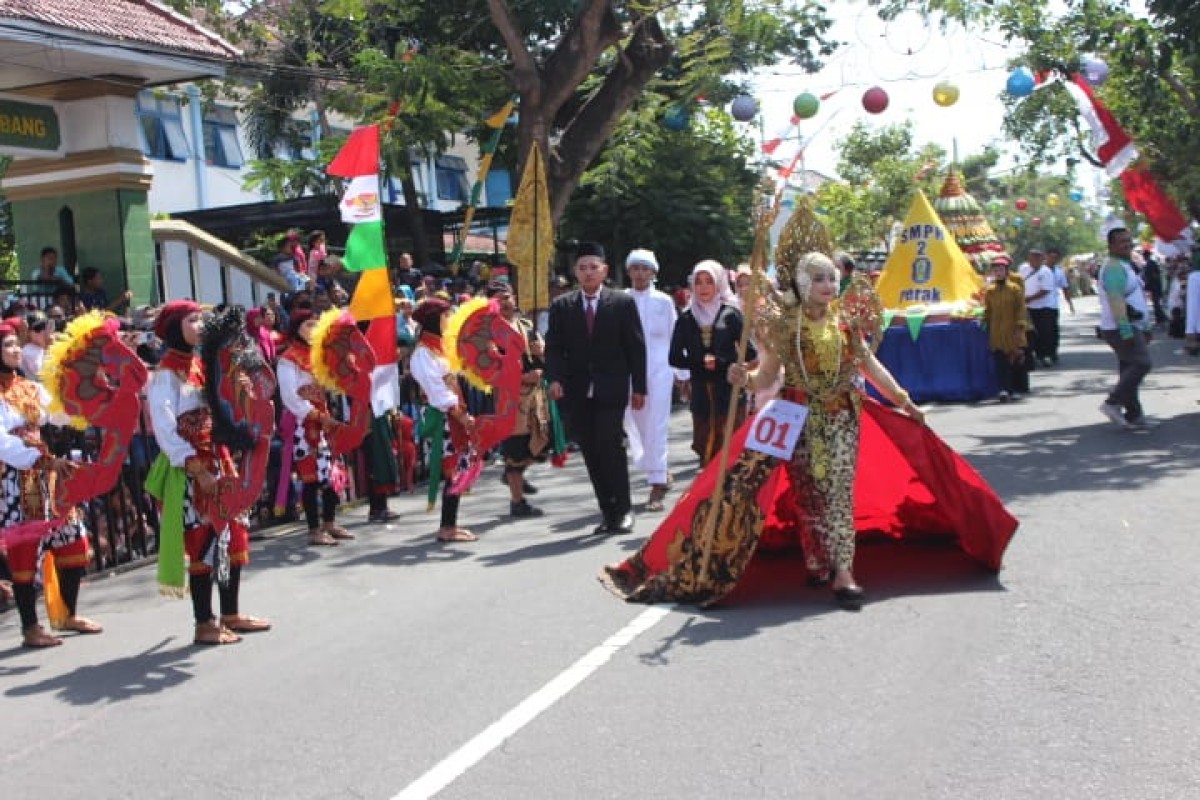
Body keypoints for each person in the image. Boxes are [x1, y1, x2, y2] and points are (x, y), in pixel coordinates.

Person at [602, 252, 1019, 613]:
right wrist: (742, 378)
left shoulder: (846, 324)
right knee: (808, 491)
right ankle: (816, 558)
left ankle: (843, 571)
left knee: (838, 491)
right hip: (796, 416)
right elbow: (769, 374)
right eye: (818, 278)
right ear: (803, 284)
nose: (827, 284)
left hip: (841, 416)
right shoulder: (786, 327)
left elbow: (869, 368)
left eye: (831, 278)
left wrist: (903, 400)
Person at [145, 301, 271, 645]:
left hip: (220, 459)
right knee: (203, 543)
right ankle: (204, 622)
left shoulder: (203, 365)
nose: (200, 325)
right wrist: (197, 470)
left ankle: (231, 613)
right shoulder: (165, 376)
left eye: (201, 318)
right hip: (189, 470)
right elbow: (166, 430)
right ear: (175, 327)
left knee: (232, 534)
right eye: (192, 319)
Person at [0, 320, 102, 647]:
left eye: (17, 344)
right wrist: (42, 461)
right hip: (16, 480)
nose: (16, 350)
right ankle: (31, 627)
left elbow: (58, 413)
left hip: (47, 473)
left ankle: (67, 614)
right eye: (8, 345)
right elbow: (2, 443)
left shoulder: (28, 387)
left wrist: (82, 391)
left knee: (73, 540)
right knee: (24, 555)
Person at [544, 242, 647, 535]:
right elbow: (554, 348)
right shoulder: (563, 307)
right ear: (576, 272)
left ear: (604, 270)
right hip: (577, 390)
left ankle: (624, 509)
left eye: (594, 267)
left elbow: (635, 348)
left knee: (610, 445)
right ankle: (607, 511)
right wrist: (555, 379)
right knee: (590, 450)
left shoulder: (621, 303)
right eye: (582, 268)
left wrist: (639, 387)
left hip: (611, 387)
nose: (588, 273)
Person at [277, 309, 355, 546]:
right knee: (311, 477)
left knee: (331, 473)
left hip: (323, 420)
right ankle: (313, 529)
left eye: (315, 324)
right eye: (308, 325)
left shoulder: (319, 356)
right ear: (297, 328)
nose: (312, 329)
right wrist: (317, 416)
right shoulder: (288, 359)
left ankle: (330, 522)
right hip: (303, 424)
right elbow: (290, 396)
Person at [670, 260, 755, 467]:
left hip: (729, 391)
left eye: (709, 281)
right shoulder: (686, 319)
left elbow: (749, 353)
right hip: (701, 392)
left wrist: (726, 364)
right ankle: (708, 497)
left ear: (719, 283)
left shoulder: (731, 314)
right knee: (704, 445)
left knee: (732, 448)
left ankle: (730, 496)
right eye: (699, 282)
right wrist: (698, 362)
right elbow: (673, 357)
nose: (704, 287)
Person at [410, 298, 478, 542]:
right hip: (443, 419)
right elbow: (436, 391)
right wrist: (461, 414)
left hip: (453, 415)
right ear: (434, 320)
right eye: (446, 316)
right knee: (452, 471)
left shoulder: (441, 348)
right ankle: (446, 527)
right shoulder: (423, 353)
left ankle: (451, 524)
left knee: (457, 470)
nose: (449, 321)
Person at [623, 248, 682, 511]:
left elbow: (674, 336)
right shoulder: (620, 300)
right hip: (628, 371)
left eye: (645, 268)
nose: (640, 273)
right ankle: (657, 469)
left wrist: (683, 374)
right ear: (629, 271)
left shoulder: (663, 301)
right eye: (635, 268)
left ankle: (657, 483)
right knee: (636, 423)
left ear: (653, 272)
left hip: (660, 369)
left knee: (657, 424)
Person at [487, 281, 549, 518]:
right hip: (509, 398)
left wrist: (540, 353)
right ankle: (517, 500)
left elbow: (542, 358)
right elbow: (491, 370)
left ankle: (515, 474)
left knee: (541, 442)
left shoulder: (526, 325)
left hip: (534, 396)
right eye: (498, 299)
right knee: (515, 449)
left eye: (507, 297)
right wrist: (524, 377)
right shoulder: (489, 333)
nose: (505, 303)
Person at [1097, 228, 1155, 429]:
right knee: (1142, 363)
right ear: (1111, 245)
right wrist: (1126, 330)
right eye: (1122, 242)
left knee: (1128, 368)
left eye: (1129, 241)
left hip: (1133, 324)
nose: (1128, 245)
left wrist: (1146, 325)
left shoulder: (1125, 264)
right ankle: (1112, 403)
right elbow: (1116, 300)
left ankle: (1134, 414)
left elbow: (1135, 296)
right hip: (1121, 326)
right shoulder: (1113, 267)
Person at [982, 254, 1029, 402]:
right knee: (999, 362)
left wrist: (1020, 326)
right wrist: (984, 322)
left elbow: (1021, 309)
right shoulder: (990, 291)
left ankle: (1014, 389)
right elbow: (988, 310)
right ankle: (1003, 389)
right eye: (995, 270)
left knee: (1013, 361)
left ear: (1006, 271)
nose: (998, 272)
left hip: (1013, 330)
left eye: (1001, 269)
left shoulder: (1015, 289)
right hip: (996, 332)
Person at [1020, 249, 1056, 367]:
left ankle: (1047, 355)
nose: (1032, 261)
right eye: (1030, 258)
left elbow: (1045, 290)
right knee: (1030, 333)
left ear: (1041, 259)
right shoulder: (1024, 269)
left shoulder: (1046, 272)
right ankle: (1034, 355)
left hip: (1045, 307)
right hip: (1029, 308)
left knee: (1045, 332)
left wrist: (1030, 298)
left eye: (1035, 258)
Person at [1044, 246, 1075, 363]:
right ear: (1046, 257)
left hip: (1053, 305)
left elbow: (1065, 288)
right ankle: (1043, 353)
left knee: (1053, 330)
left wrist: (1070, 304)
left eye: (1055, 258)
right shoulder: (1039, 270)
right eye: (1051, 257)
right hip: (1037, 305)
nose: (1053, 260)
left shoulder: (1059, 272)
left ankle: (1052, 351)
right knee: (1042, 331)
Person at [20, 310, 54, 380]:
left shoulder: (41, 348)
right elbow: (42, 375)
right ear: (29, 333)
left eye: (45, 327)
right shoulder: (28, 350)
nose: (42, 331)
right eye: (38, 328)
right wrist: (48, 347)